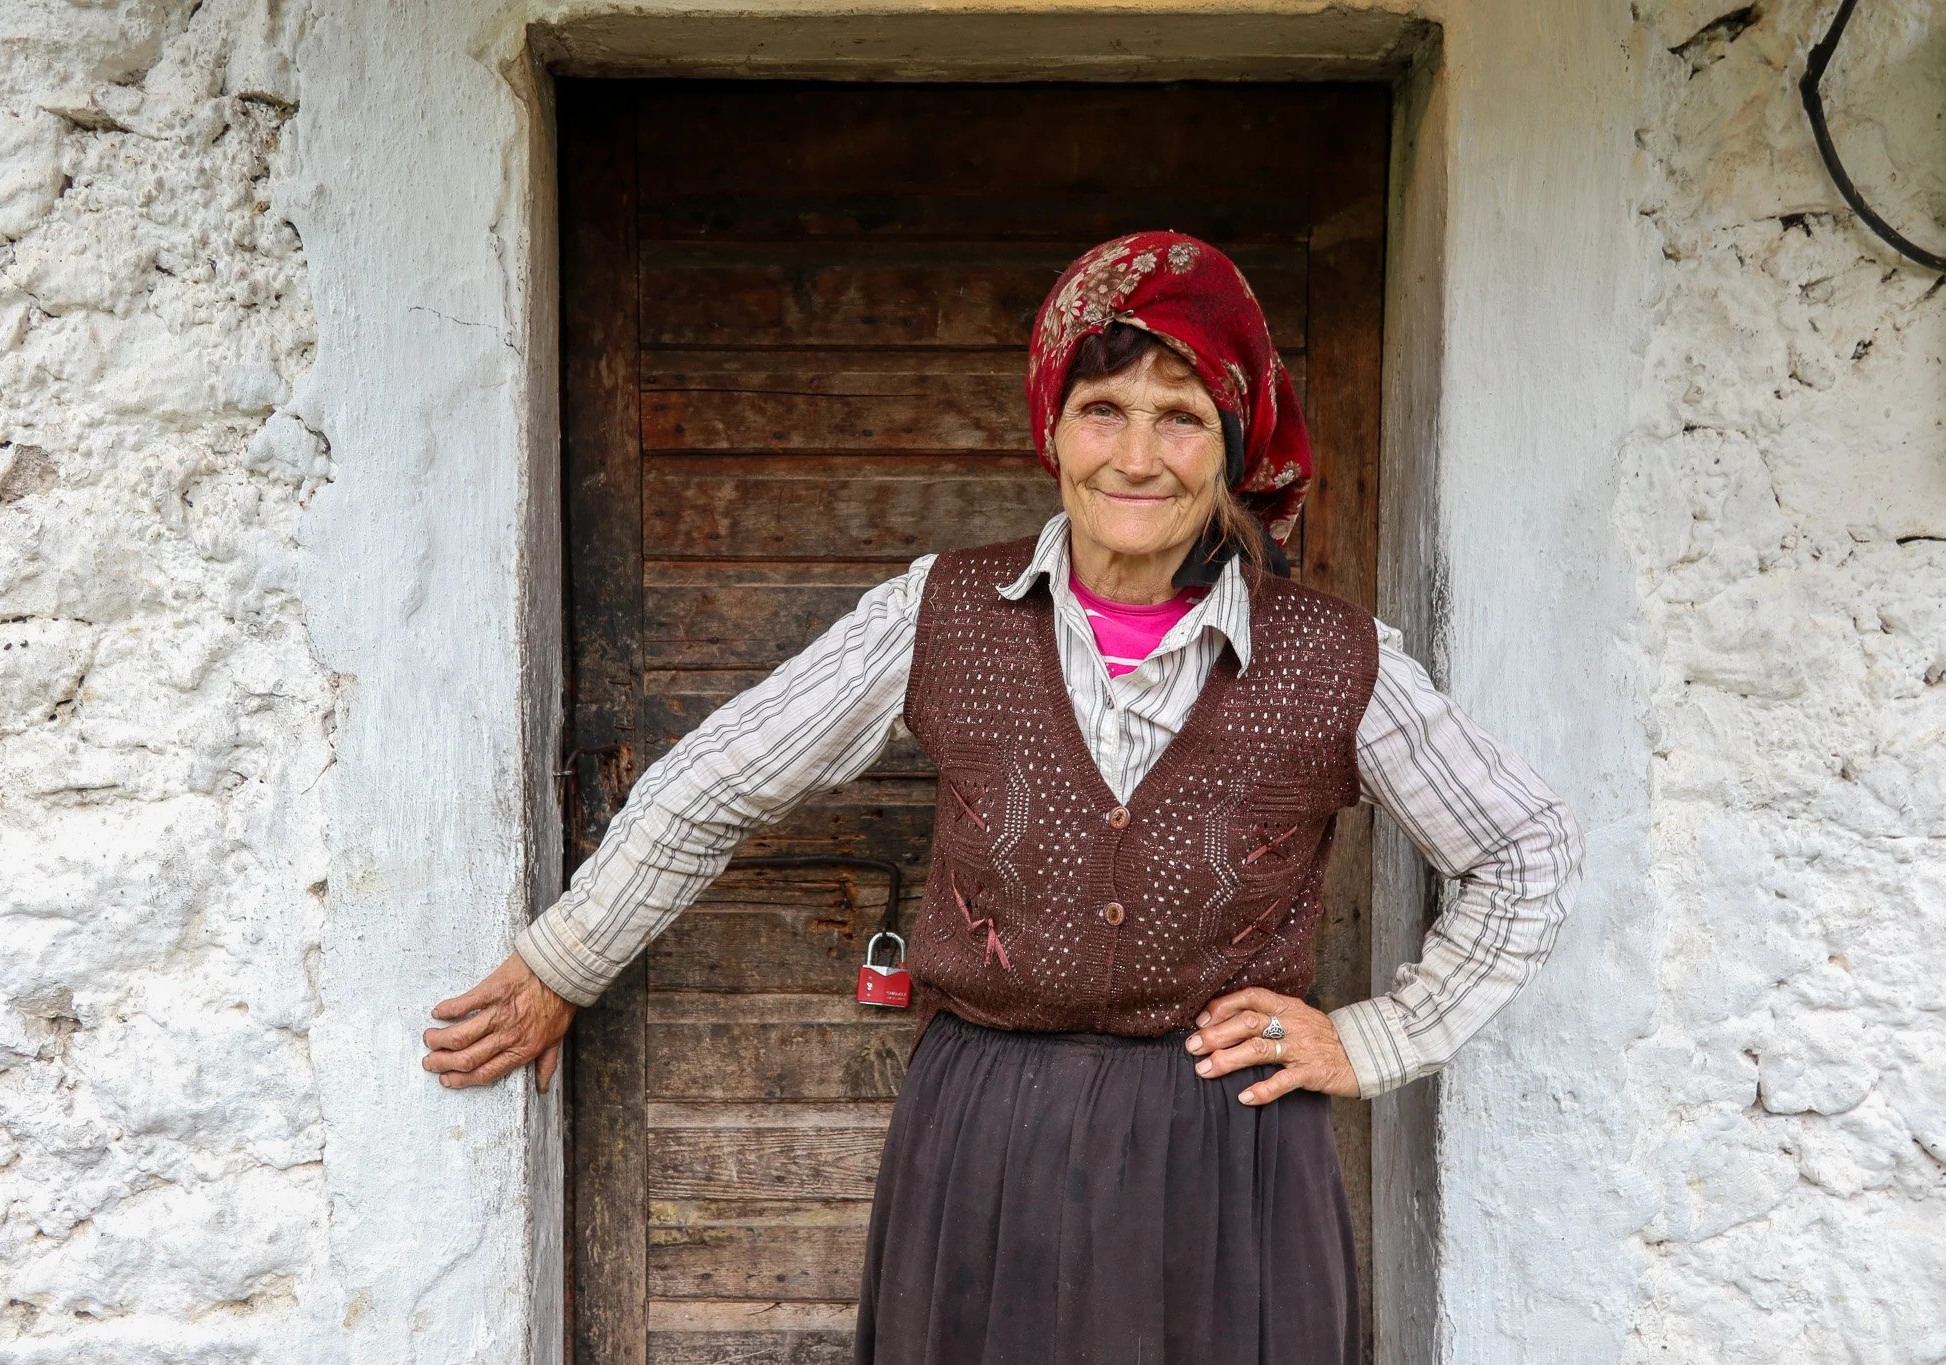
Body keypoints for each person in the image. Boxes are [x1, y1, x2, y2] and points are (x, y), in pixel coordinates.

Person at [422, 231, 1584, 1363]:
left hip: (1227, 1155)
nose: (1136, 456)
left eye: (1179, 418)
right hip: (986, 1142)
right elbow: (715, 781)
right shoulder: (939, 613)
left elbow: (1525, 849)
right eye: (1102, 412)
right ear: (1052, 431)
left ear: (1230, 446)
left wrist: (1373, 1041)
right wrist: (561, 964)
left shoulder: (1334, 659)